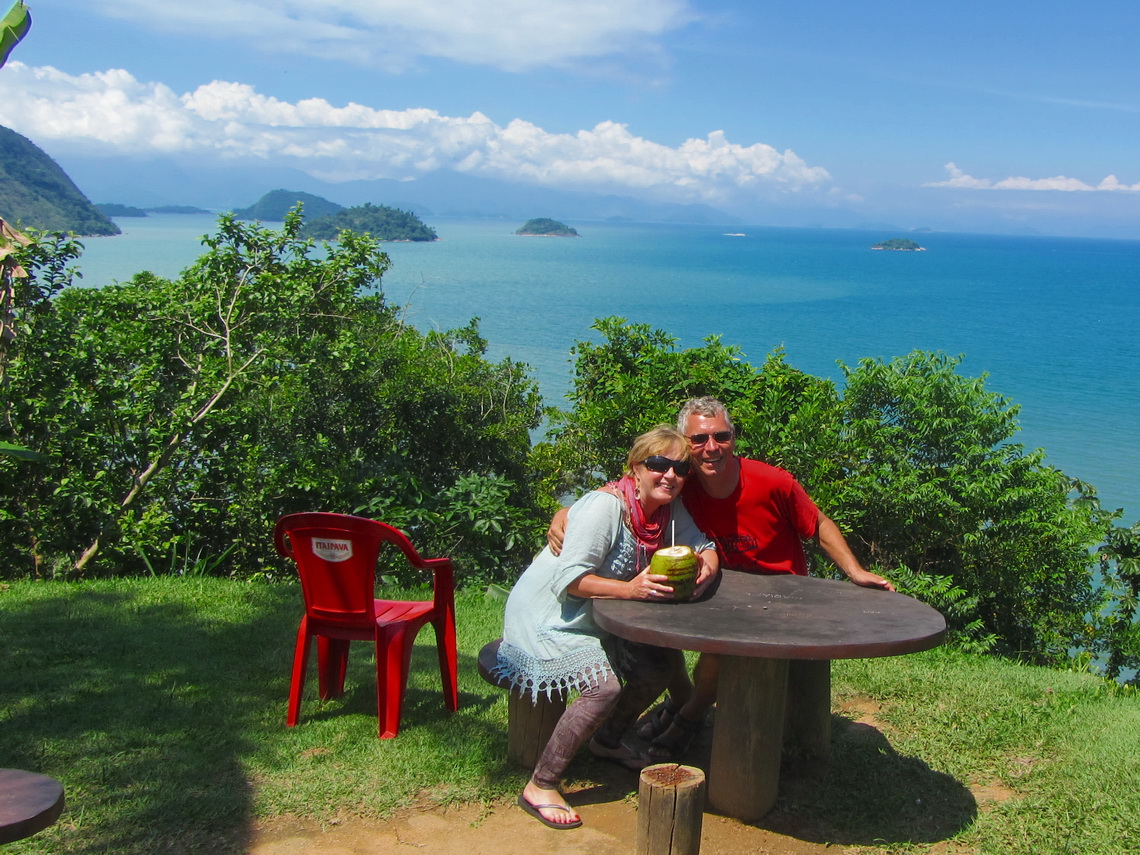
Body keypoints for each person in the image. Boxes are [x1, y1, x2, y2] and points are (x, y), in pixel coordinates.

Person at [547, 396, 894, 762]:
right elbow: (628, 491)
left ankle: (688, 716)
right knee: (663, 635)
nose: (711, 447)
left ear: (733, 438)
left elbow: (819, 523)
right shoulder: (682, 481)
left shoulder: (772, 481)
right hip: (722, 589)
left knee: (718, 652)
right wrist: (568, 511)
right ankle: (679, 706)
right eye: (698, 440)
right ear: (685, 444)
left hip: (783, 594)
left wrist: (854, 570)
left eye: (721, 436)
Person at [496, 425, 718, 829]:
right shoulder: (605, 508)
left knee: (659, 668)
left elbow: (704, 545)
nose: (669, 474)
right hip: (551, 616)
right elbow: (569, 581)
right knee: (604, 688)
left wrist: (706, 565)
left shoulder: (668, 511)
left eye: (680, 468)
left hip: (600, 617)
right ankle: (541, 784)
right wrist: (630, 589)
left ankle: (608, 740)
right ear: (636, 467)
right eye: (658, 464)